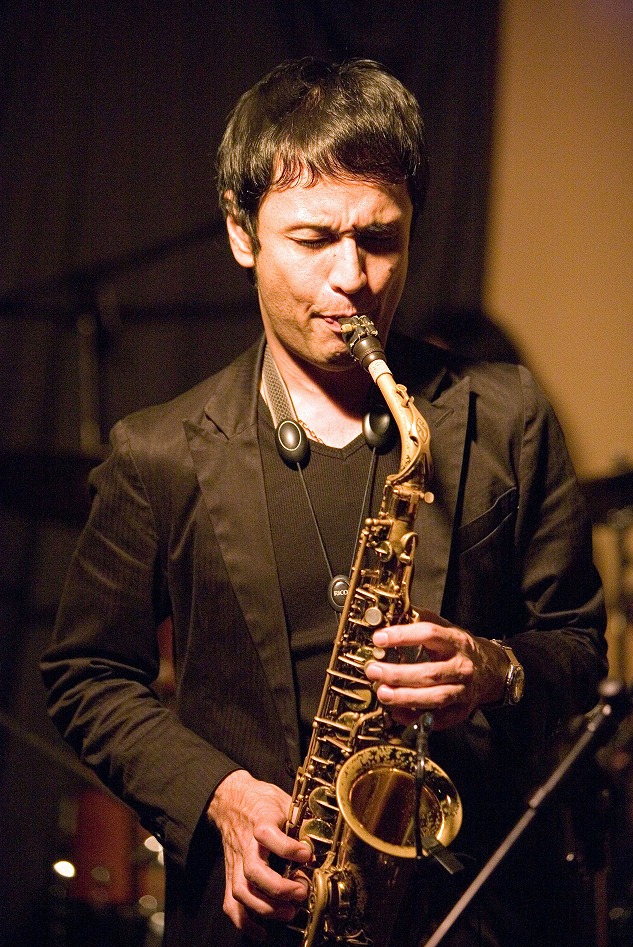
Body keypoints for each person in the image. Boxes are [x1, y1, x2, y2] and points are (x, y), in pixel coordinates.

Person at [41, 58, 608, 947]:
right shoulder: (157, 452)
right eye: (313, 239)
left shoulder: (509, 414)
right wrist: (218, 796)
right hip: (266, 913)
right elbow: (85, 674)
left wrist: (493, 668)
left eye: (380, 238)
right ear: (241, 233)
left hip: (480, 910)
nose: (354, 278)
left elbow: (577, 647)